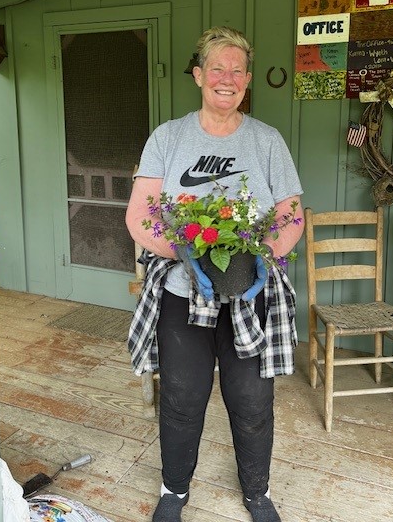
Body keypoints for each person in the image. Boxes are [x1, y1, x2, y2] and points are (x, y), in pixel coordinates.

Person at [125, 26, 304, 522]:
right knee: (183, 396)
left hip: (250, 292)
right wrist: (185, 252)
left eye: (238, 70)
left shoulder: (266, 142)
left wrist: (265, 257)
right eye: (218, 68)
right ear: (200, 75)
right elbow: (140, 214)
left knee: (251, 398)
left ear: (247, 80)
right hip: (184, 292)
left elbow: (291, 214)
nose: (228, 78)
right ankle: (174, 491)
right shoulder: (169, 137)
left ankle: (257, 491)